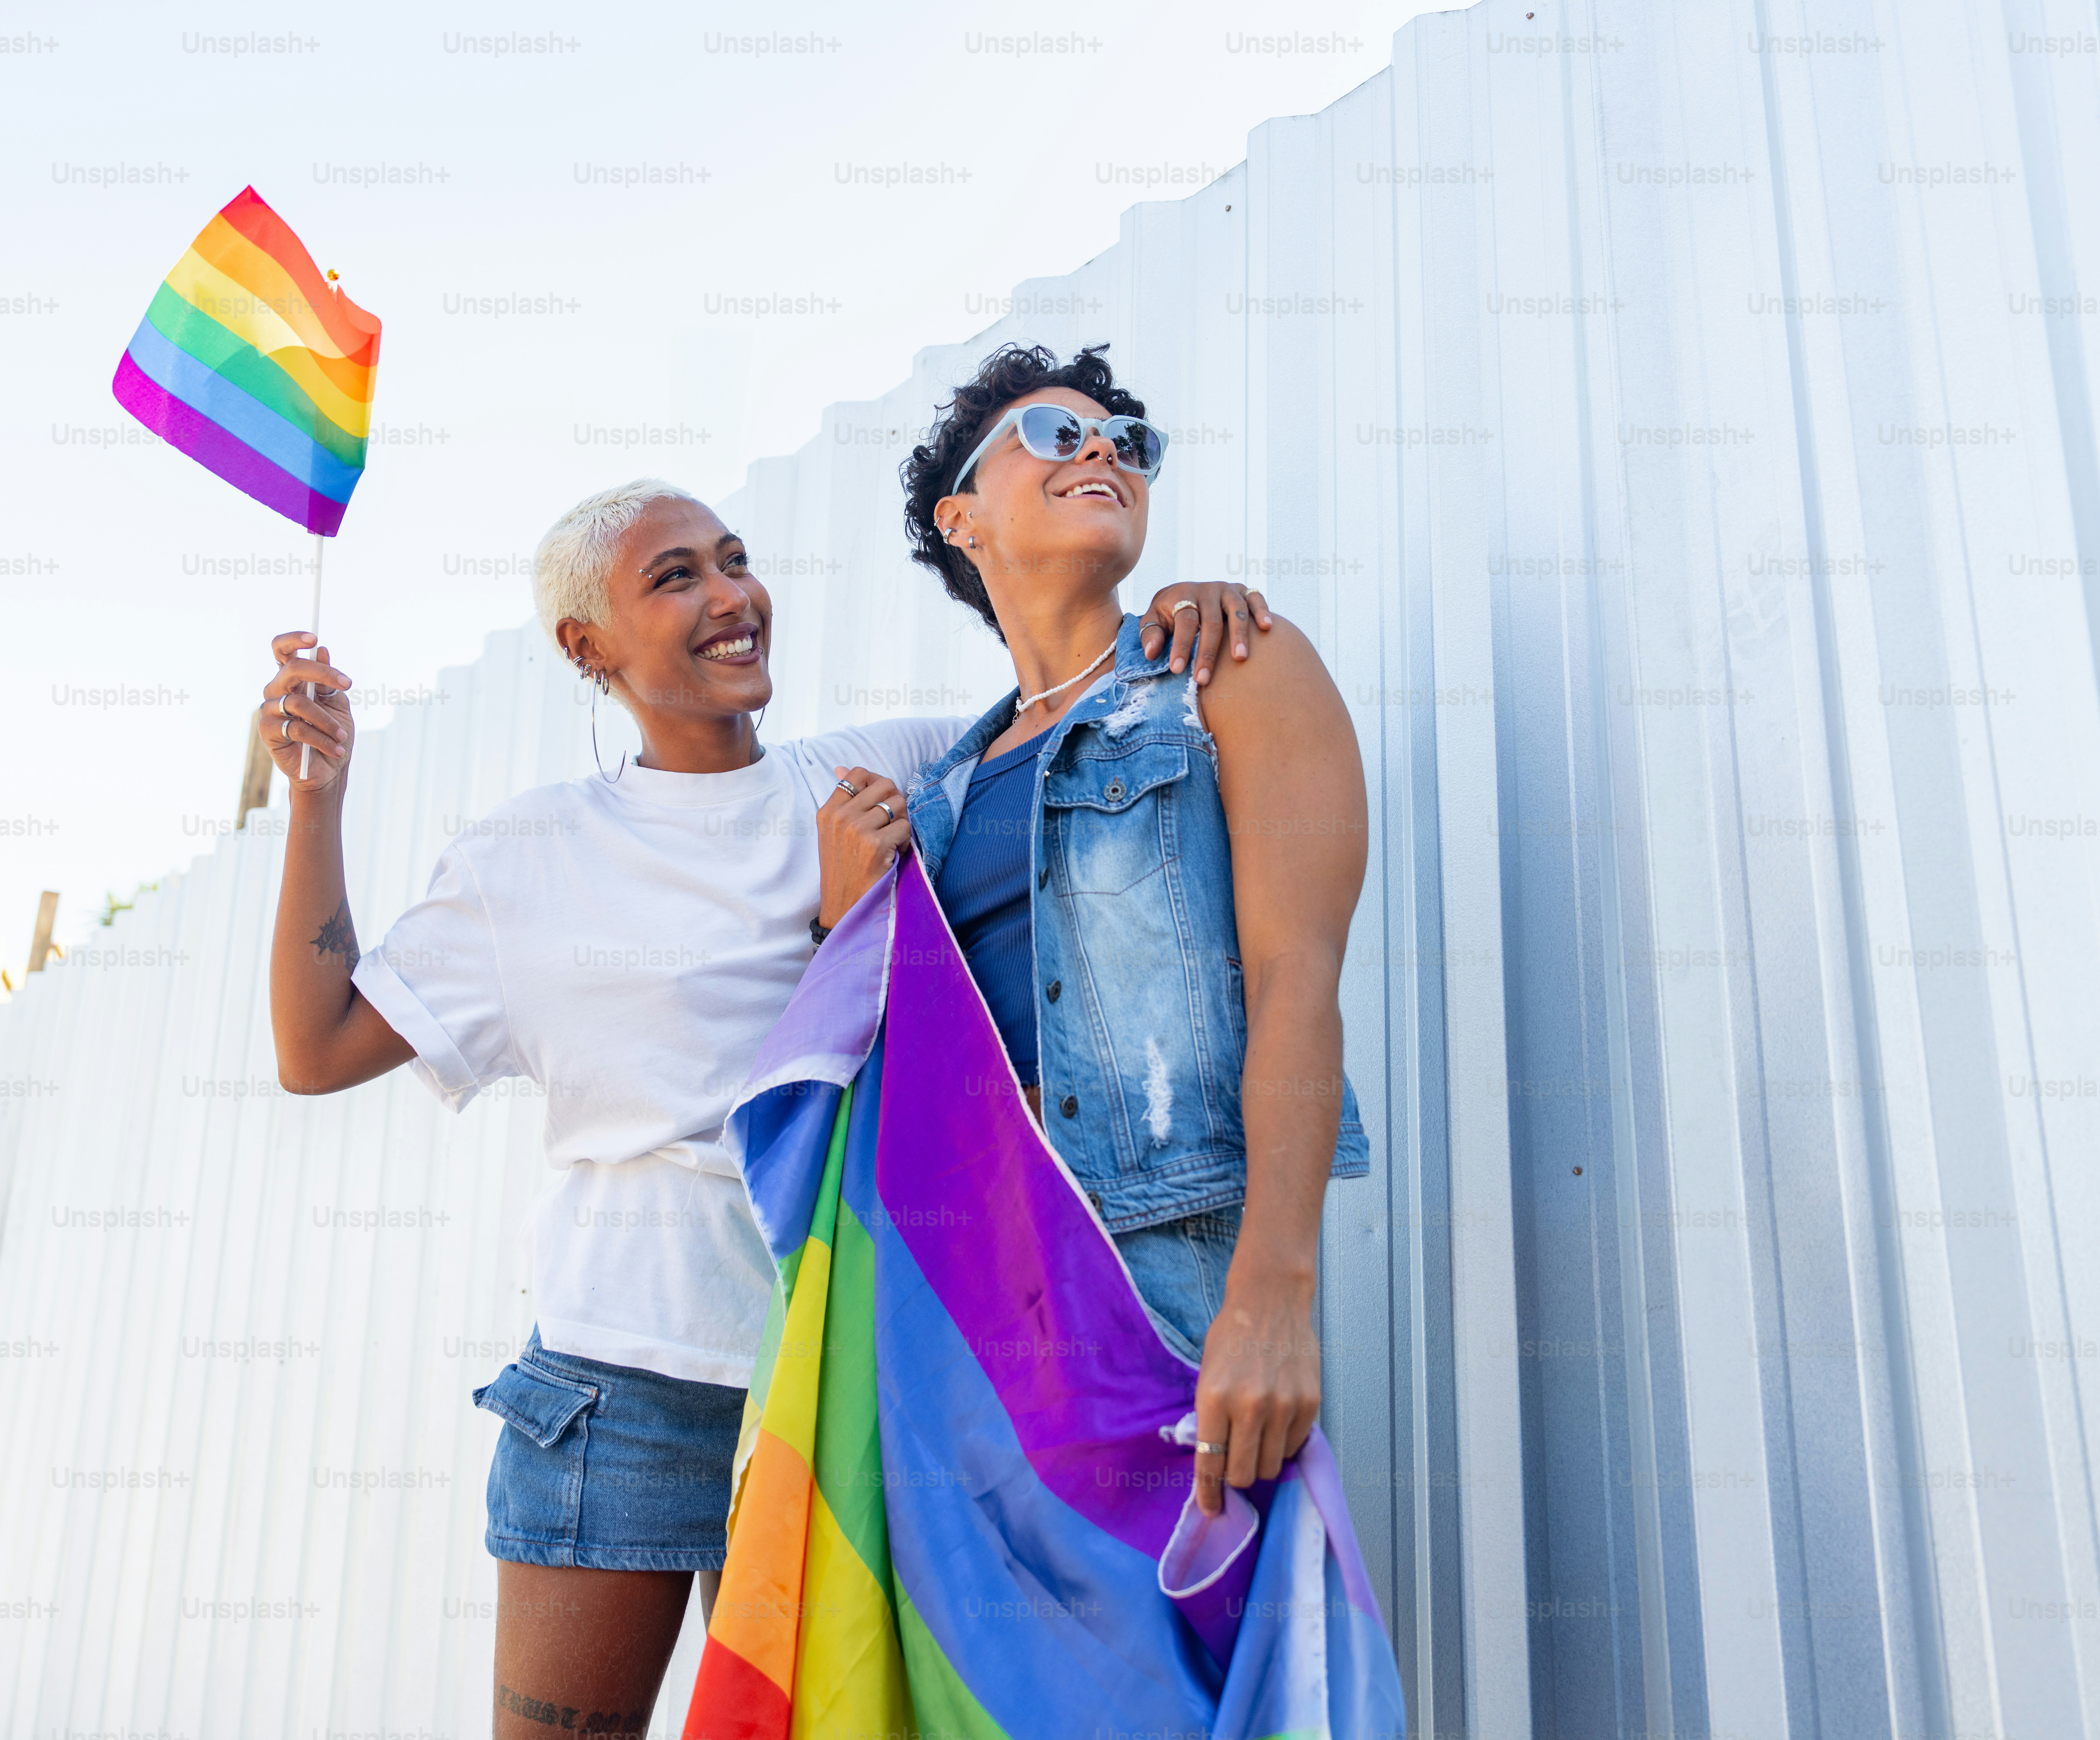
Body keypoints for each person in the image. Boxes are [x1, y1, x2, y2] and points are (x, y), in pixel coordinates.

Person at [257, 476, 1275, 1733]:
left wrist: (1177, 617)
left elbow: (1087, 717)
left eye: (734, 560)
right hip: (621, 1395)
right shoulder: (529, 858)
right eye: (676, 577)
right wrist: (317, 799)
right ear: (587, 646)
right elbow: (318, 1046)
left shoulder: (887, 771)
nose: (732, 596)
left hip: (839, 1376)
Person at [872, 342, 1371, 1520]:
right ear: (961, 518)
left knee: (1189, 1624)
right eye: (1053, 435)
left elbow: (1298, 977)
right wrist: (849, 912)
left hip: (1164, 1282)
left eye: (1127, 442)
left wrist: (1274, 1294)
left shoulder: (1231, 667)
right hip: (964, 1301)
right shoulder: (939, 796)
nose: (1102, 448)